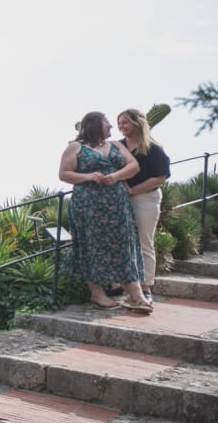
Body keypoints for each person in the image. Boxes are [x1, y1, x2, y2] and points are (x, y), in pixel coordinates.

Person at [58, 111, 152, 312]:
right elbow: (64, 174)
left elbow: (134, 166)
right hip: (88, 206)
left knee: (124, 244)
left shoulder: (116, 145)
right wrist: (88, 176)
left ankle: (136, 294)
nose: (111, 126)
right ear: (95, 125)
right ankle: (97, 294)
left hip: (117, 204)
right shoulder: (75, 147)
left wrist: (116, 176)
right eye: (107, 122)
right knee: (91, 245)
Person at [117, 108, 170, 304]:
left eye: (125, 122)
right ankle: (122, 284)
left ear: (137, 123)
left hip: (146, 198)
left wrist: (134, 190)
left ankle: (146, 287)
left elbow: (160, 177)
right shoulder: (118, 146)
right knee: (121, 241)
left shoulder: (153, 148)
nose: (121, 126)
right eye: (119, 123)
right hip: (121, 199)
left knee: (144, 242)